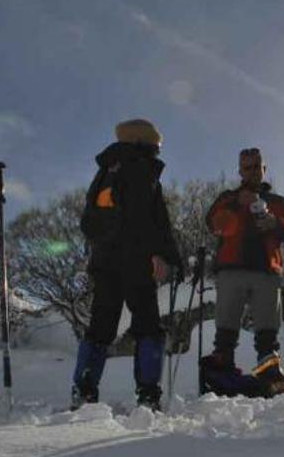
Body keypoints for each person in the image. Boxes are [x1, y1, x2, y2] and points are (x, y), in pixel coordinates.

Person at [72, 118, 182, 411]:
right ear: (142, 142)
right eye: (155, 145)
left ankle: (83, 393)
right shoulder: (140, 166)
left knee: (101, 326)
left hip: (105, 260)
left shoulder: (107, 169)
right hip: (135, 260)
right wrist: (164, 254)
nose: (157, 151)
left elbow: (92, 221)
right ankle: (148, 395)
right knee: (148, 327)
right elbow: (148, 218)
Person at [202, 147, 284, 397]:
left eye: (257, 166)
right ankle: (221, 376)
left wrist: (275, 223)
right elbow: (212, 222)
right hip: (231, 271)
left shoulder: (278, 203)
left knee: (268, 331)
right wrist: (237, 204)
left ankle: (271, 377)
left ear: (264, 169)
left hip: (267, 272)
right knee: (225, 329)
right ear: (240, 171)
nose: (253, 171)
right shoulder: (227, 198)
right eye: (248, 167)